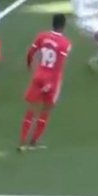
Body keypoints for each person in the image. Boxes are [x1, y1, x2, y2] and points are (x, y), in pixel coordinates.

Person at [19, 14, 72, 151]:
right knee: (46, 111)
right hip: (52, 79)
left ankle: (22, 140)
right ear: (64, 26)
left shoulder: (42, 36)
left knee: (31, 109)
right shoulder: (65, 43)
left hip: (39, 75)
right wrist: (51, 83)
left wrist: (29, 65)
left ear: (52, 23)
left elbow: (31, 52)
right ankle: (34, 141)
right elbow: (59, 66)